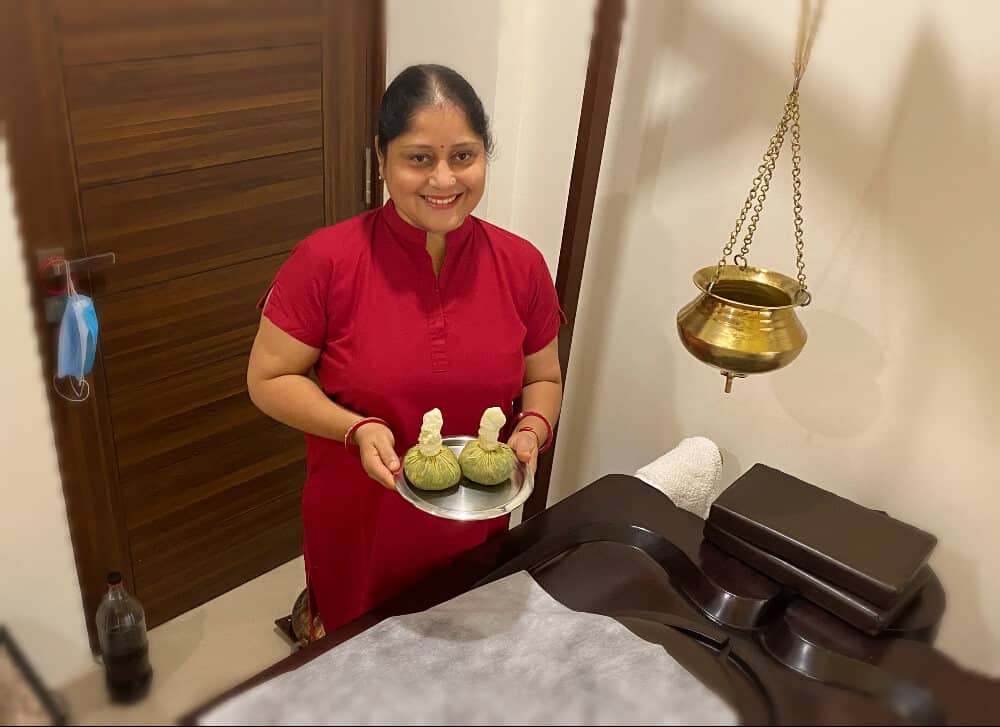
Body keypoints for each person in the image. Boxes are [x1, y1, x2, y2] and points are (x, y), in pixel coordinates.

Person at [247, 64, 565, 635]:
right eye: (419, 158)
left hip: (472, 518)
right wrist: (356, 429)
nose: (444, 180)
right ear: (382, 158)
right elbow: (269, 379)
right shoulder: (326, 262)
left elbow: (545, 378)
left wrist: (533, 428)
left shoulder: (522, 266)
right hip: (361, 516)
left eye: (463, 156)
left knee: (455, 642)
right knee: (357, 655)